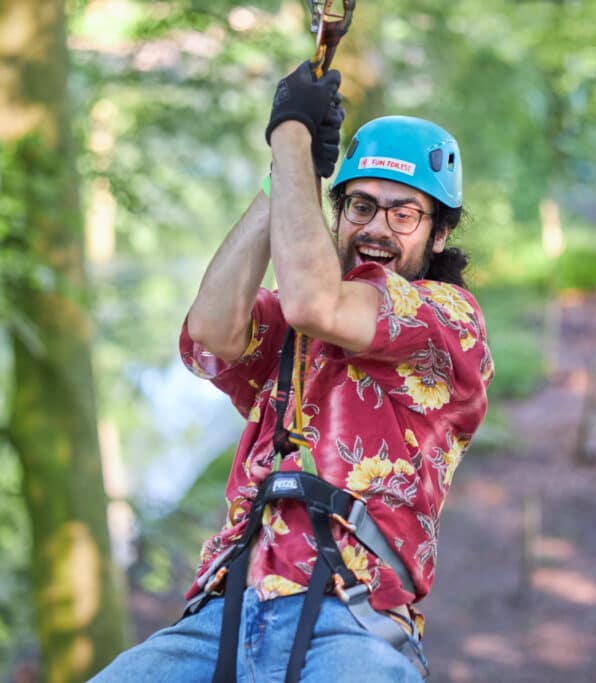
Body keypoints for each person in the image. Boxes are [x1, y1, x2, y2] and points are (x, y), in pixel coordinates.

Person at [91, 60, 493, 683]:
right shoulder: (294, 334)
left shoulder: (447, 322)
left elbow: (317, 300)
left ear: (439, 234)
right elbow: (213, 328)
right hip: (225, 608)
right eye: (359, 206)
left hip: (353, 616)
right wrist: (287, 174)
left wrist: (290, 132)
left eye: (403, 213)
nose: (376, 228)